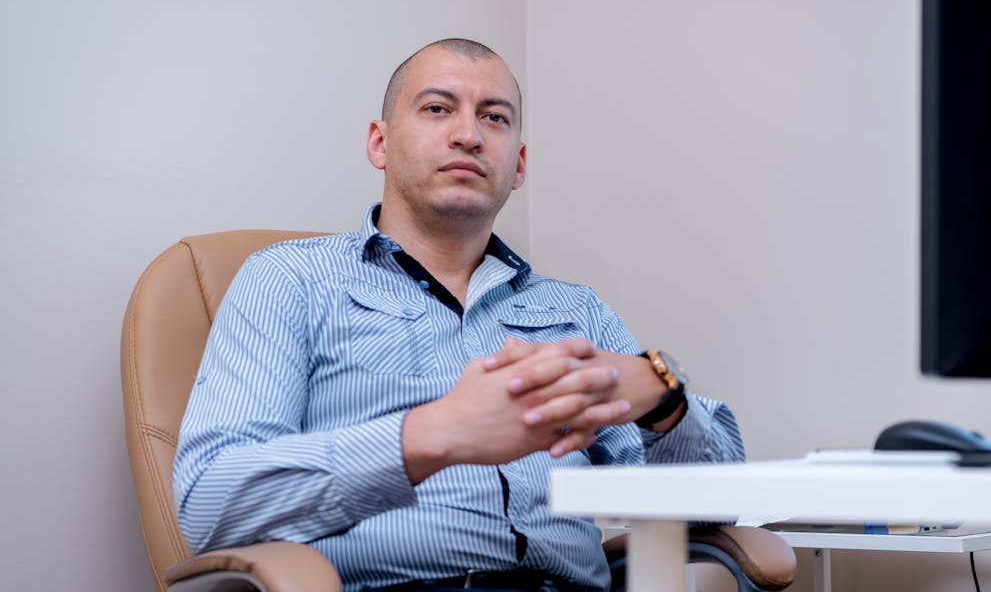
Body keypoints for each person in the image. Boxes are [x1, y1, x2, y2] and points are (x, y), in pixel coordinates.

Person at [173, 38, 744, 592]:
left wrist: (666, 402)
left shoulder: (576, 311)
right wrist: (435, 434)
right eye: (437, 109)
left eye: (494, 118)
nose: (468, 135)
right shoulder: (289, 280)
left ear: (517, 165)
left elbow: (711, 508)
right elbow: (210, 502)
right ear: (380, 142)